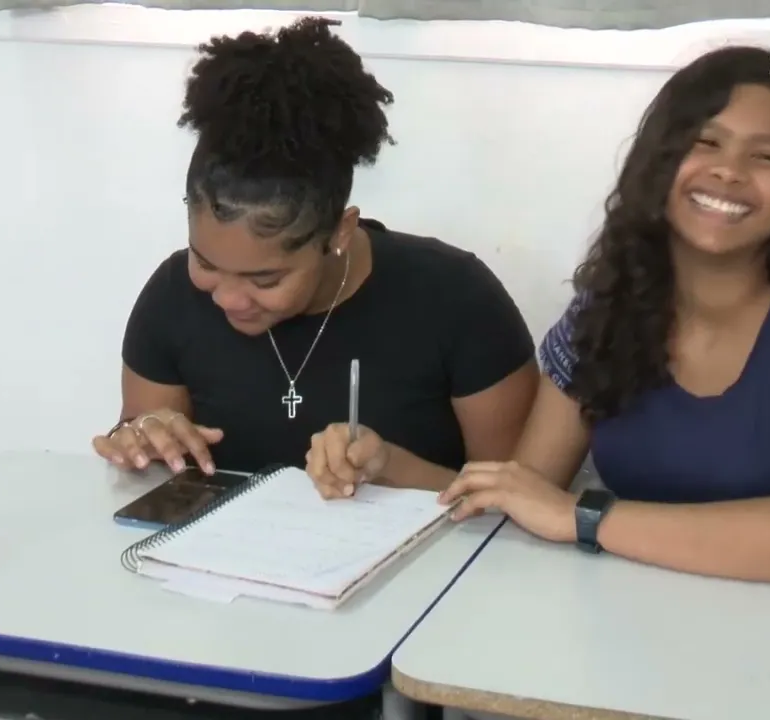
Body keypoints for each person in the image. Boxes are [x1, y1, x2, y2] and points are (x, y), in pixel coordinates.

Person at [428, 45, 770, 586]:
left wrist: (585, 518)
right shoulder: (600, 315)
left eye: (766, 156)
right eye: (705, 143)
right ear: (659, 164)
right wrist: (388, 467)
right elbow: (524, 495)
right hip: (632, 626)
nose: (730, 171)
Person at [92, 17, 538, 498]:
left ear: (339, 232)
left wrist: (393, 468)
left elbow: (517, 511)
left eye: (265, 279)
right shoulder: (171, 298)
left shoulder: (456, 300)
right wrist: (140, 441)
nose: (228, 297)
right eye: (205, 263)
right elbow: (152, 478)